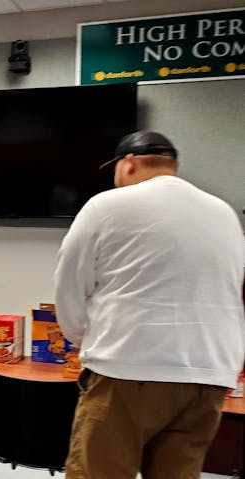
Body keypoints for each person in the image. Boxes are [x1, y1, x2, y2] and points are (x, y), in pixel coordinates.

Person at [54, 131, 245, 479]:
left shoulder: (106, 205)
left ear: (128, 164)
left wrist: (85, 340)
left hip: (129, 369)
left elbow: (69, 288)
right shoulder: (224, 212)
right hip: (209, 375)